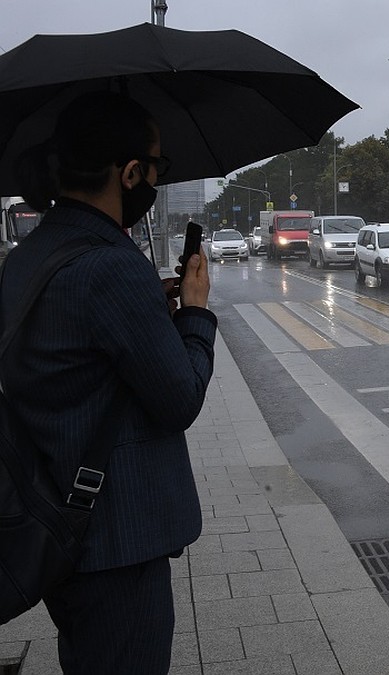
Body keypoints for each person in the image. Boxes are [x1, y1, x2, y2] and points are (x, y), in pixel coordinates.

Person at [0, 91, 215, 674]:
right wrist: (194, 312)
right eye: (156, 167)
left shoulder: (31, 255)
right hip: (116, 539)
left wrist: (150, 313)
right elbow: (180, 399)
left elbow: (81, 362)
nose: (154, 178)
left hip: (58, 523)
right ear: (129, 173)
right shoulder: (112, 266)